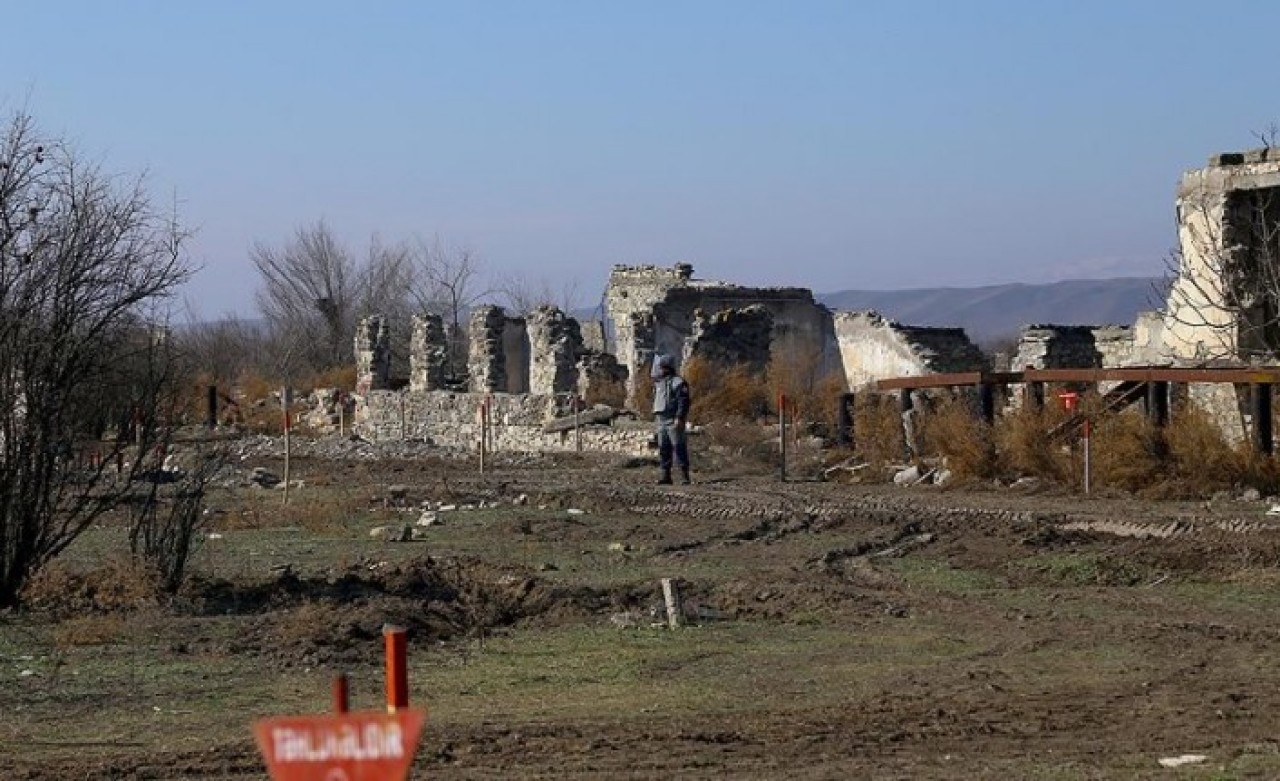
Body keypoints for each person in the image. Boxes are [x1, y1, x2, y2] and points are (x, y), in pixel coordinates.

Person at [651, 354, 691, 485]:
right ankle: (665, 476)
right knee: (664, 448)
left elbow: (683, 401)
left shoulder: (678, 382)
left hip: (672, 419)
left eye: (662, 367)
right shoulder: (659, 383)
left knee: (679, 447)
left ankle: (684, 476)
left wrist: (679, 417)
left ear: (668, 368)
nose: (660, 370)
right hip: (661, 419)